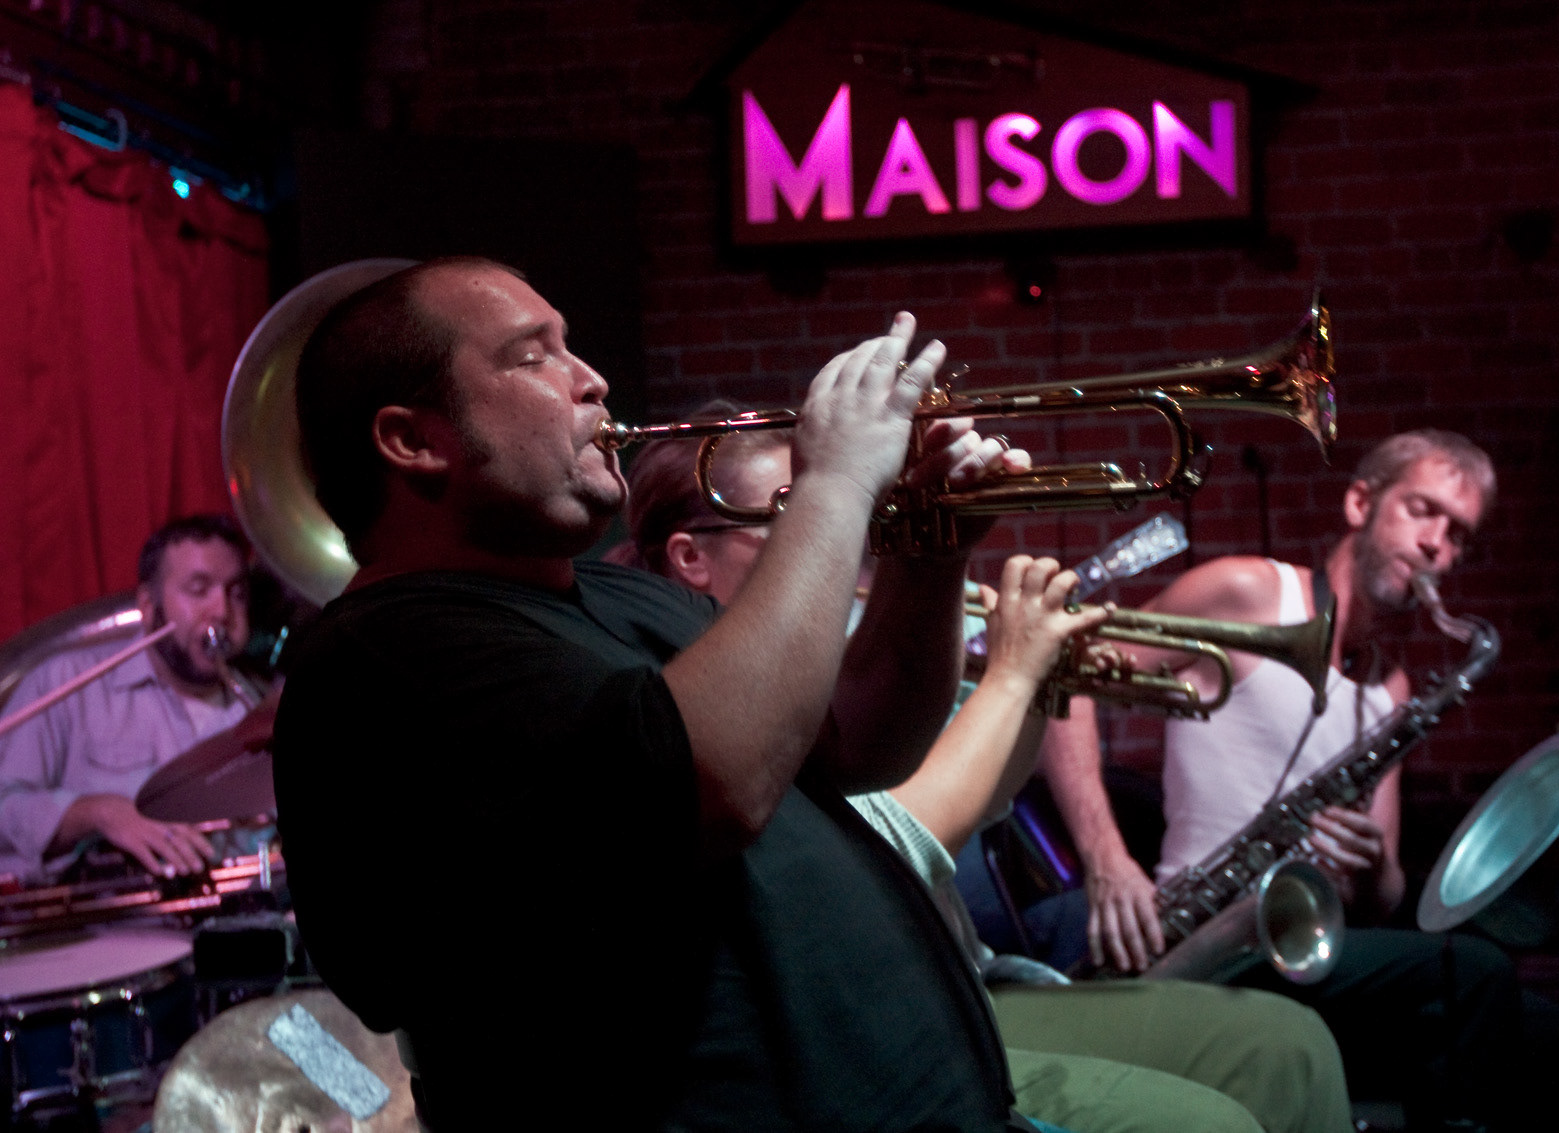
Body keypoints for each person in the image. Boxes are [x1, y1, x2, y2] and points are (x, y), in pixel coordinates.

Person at [274, 256, 1058, 1131]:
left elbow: (859, 739)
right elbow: (711, 781)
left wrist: (929, 551)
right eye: (533, 356)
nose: (592, 379)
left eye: (570, 345)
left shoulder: (620, 594)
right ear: (413, 440)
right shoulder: (382, 657)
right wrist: (834, 482)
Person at [623, 425, 1354, 1133]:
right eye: (793, 512)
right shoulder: (704, 695)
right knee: (1218, 1112)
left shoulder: (842, 643)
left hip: (965, 974)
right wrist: (1012, 673)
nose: (838, 532)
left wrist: (1044, 682)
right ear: (691, 557)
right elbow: (898, 842)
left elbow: (988, 796)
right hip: (884, 1020)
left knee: (1294, 1044)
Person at [1034, 431, 1559, 1131]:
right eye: (1422, 510)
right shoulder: (1247, 592)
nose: (1437, 544)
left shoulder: (1393, 688)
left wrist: (1371, 863)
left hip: (1300, 947)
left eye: (1459, 534)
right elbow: (1065, 680)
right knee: (1476, 974)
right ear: (1361, 502)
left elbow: (1385, 894)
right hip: (1201, 940)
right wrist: (1106, 860)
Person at [0, 514, 260, 882]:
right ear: (149, 604)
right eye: (199, 589)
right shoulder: (65, 683)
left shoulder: (261, 705)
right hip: (102, 912)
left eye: (236, 593)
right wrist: (97, 813)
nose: (222, 612)